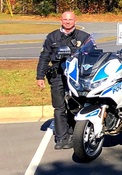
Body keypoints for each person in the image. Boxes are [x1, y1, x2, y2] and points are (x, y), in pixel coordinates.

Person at [36, 11, 91, 149]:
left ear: (75, 21)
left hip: (77, 77)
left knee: (75, 105)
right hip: (58, 76)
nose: (67, 22)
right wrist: (40, 76)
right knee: (59, 107)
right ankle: (61, 138)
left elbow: (91, 56)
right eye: (65, 19)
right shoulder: (52, 37)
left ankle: (73, 134)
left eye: (70, 19)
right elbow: (44, 57)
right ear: (61, 21)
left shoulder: (84, 37)